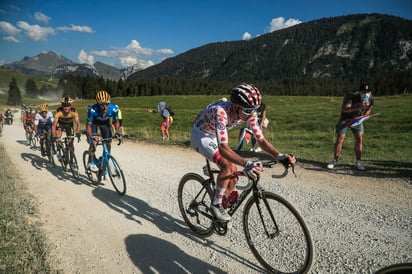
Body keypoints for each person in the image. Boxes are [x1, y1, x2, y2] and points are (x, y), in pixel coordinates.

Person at [190, 83, 296, 221]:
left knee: (233, 175)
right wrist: (246, 164)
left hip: (213, 135)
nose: (251, 114)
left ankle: (223, 203)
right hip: (200, 135)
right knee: (227, 166)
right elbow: (223, 148)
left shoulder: (249, 114)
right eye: (247, 111)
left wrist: (281, 156)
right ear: (235, 106)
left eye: (255, 110)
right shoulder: (220, 111)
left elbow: (261, 141)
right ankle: (215, 204)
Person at [327, 83, 374, 171]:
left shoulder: (370, 98)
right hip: (345, 119)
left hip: (357, 119)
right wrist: (358, 107)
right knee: (340, 138)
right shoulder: (351, 97)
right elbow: (345, 109)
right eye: (364, 91)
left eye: (368, 91)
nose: (366, 93)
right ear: (360, 92)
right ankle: (335, 160)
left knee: (359, 138)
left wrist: (365, 116)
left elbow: (369, 109)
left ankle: (358, 161)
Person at [86, 90, 122, 172]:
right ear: (98, 104)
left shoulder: (114, 108)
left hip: (105, 123)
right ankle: (91, 162)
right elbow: (88, 125)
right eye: (102, 105)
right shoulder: (92, 110)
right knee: (94, 142)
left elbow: (116, 121)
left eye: (107, 104)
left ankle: (104, 162)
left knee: (108, 142)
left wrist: (117, 132)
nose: (105, 107)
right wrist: (92, 137)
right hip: (94, 123)